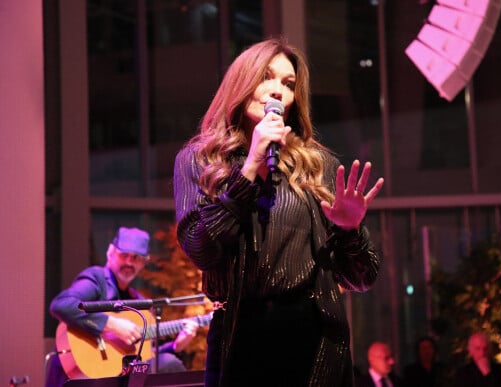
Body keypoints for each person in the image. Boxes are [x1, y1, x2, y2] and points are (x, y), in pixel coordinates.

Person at [173, 37, 384, 387]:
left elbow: (361, 278)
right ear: (242, 83)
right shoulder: (200, 161)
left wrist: (350, 231)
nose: (277, 91)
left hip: (313, 341)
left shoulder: (319, 165)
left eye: (288, 84)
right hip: (239, 338)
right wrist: (251, 168)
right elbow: (201, 250)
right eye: (266, 77)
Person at [45, 227, 198, 387]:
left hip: (117, 377)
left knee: (169, 363)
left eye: (136, 258)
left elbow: (144, 358)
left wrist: (175, 346)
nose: (129, 262)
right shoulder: (97, 279)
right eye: (124, 255)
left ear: (144, 262)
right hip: (81, 376)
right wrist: (111, 324)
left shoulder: (140, 302)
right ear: (110, 252)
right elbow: (61, 305)